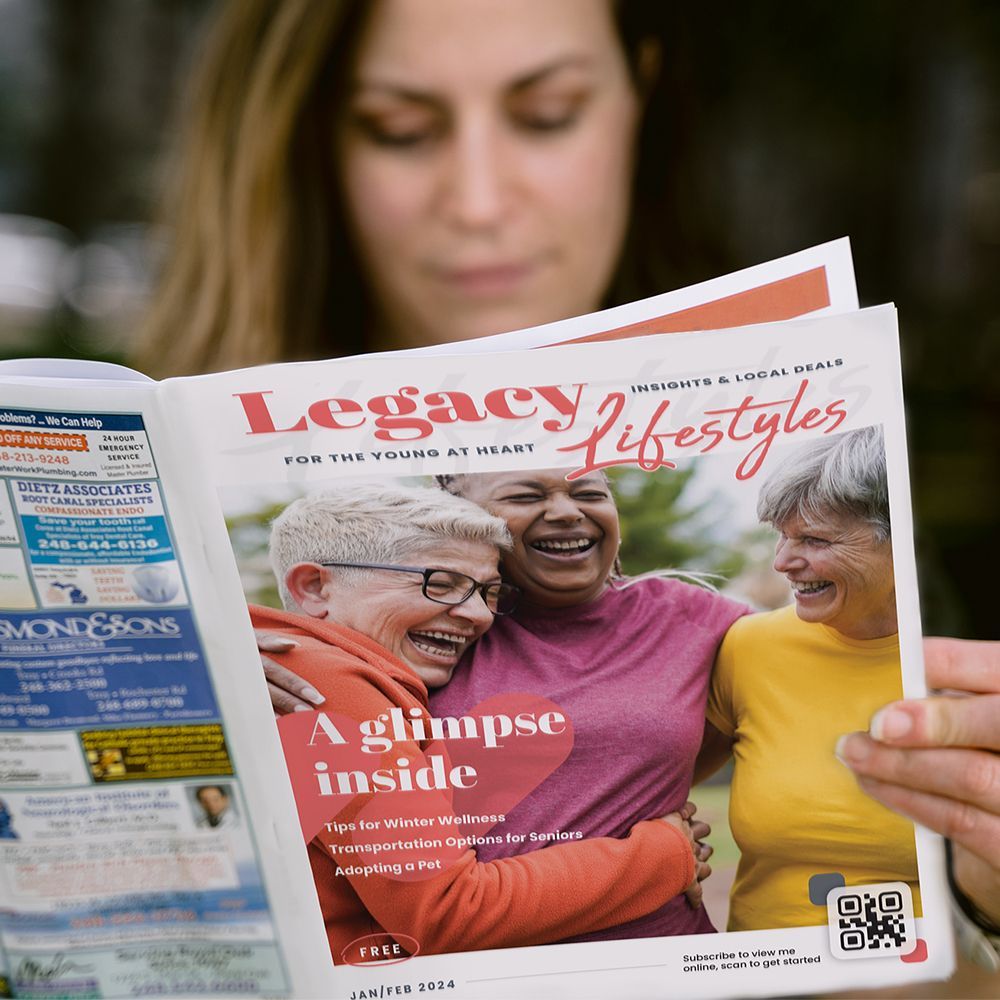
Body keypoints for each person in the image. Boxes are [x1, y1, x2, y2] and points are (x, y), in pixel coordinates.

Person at [147, 0, 1000, 957]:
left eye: (548, 113)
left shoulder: (723, 622)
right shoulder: (345, 604)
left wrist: (979, 896)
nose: (479, 200)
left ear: (637, 94)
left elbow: (875, 896)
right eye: (401, 129)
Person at [265, 469, 746, 941]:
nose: (477, 614)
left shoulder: (326, 668)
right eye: (440, 582)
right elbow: (447, 911)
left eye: (489, 593)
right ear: (314, 587)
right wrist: (665, 851)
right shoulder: (313, 687)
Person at [704, 427, 918, 930]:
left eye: (814, 540)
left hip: (926, 975)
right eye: (781, 535)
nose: (783, 562)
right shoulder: (748, 647)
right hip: (767, 968)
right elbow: (657, 781)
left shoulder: (966, 662)